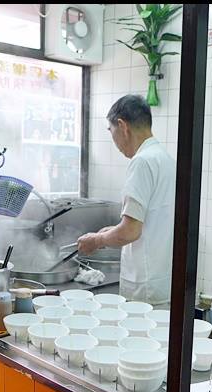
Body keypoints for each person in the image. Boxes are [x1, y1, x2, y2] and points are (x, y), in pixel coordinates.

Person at [77, 95, 175, 306]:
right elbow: (150, 221)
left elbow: (131, 231)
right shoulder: (164, 158)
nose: (114, 142)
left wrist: (96, 240)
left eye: (110, 131)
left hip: (144, 286)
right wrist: (112, 230)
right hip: (163, 281)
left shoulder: (142, 162)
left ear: (122, 126)